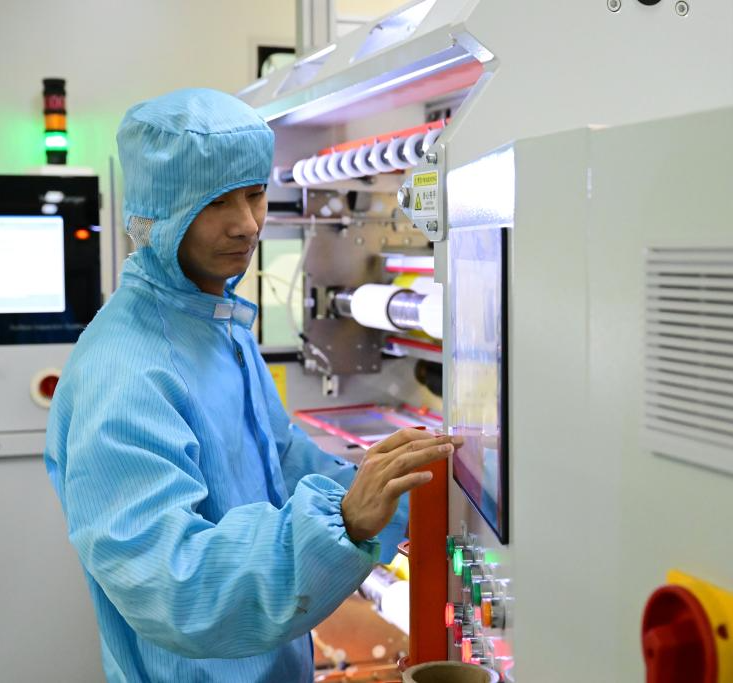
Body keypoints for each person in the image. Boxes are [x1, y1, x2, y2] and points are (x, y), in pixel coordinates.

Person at [43, 88, 457, 683]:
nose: (246, 224)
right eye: (216, 202)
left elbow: (281, 466)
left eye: (255, 193)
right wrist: (344, 520)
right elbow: (175, 586)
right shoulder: (124, 372)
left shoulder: (219, 328)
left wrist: (417, 487)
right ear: (159, 212)